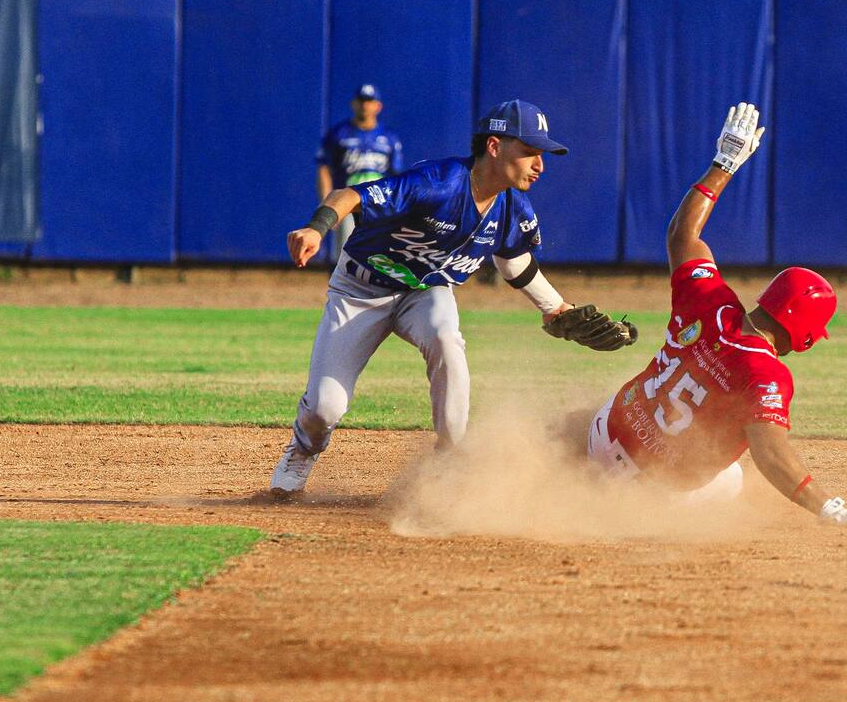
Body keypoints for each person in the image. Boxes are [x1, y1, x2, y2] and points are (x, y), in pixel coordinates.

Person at [271, 99, 637, 498]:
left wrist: (555, 308)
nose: (540, 164)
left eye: (542, 154)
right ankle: (303, 450)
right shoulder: (439, 182)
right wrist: (315, 229)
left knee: (446, 337)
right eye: (530, 152)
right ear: (495, 147)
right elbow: (349, 195)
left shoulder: (514, 207)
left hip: (426, 292)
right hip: (361, 290)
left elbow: (514, 263)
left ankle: (449, 460)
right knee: (325, 407)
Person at [585, 102, 847, 524]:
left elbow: (681, 234)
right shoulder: (765, 373)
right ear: (806, 336)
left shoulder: (709, 299)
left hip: (603, 433)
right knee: (731, 480)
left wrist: (725, 163)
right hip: (643, 493)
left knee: (612, 407)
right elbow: (770, 452)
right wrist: (829, 508)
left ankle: (569, 452)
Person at [316, 84, 405, 260]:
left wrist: (398, 207)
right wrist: (326, 201)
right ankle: (340, 287)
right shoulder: (338, 134)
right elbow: (324, 167)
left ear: (378, 106)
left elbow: (397, 176)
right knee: (344, 254)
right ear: (353, 104)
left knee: (380, 256)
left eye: (370, 101)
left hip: (379, 203)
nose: (365, 105)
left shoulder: (390, 138)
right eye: (362, 101)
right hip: (348, 201)